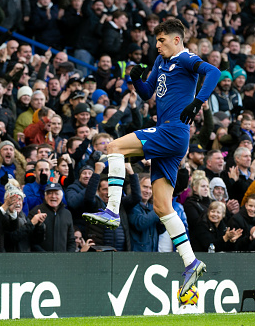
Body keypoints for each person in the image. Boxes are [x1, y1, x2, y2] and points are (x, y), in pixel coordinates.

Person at [82, 18, 221, 298]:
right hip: (169, 135)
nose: (157, 46)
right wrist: (135, 78)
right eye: (155, 41)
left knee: (114, 147)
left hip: (173, 130)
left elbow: (214, 72)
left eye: (161, 40)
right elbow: (147, 94)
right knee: (161, 206)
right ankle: (191, 261)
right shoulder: (160, 62)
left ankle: (111, 210)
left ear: (176, 40)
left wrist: (198, 100)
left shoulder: (186, 59)